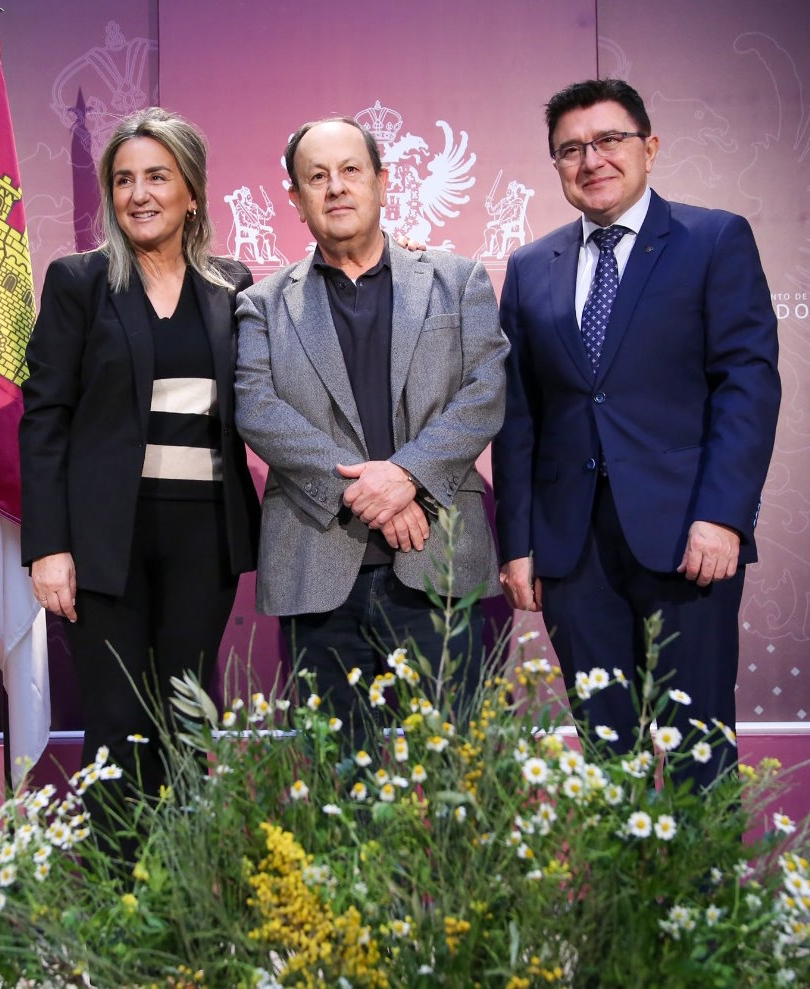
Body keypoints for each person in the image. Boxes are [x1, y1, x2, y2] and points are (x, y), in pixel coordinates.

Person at [492, 79, 780, 786]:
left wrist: (722, 516)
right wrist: (518, 543)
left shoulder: (713, 239)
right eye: (570, 149)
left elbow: (747, 385)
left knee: (697, 744)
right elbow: (519, 411)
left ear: (648, 148)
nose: (591, 160)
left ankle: (706, 897)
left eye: (608, 140)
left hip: (687, 537)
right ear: (555, 165)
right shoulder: (532, 267)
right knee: (603, 748)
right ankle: (620, 900)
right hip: (570, 549)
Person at [20, 108, 260, 827]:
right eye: (123, 180)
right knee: (116, 724)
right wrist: (47, 546)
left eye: (157, 176)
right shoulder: (78, 281)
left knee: (186, 718)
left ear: (192, 190)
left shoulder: (233, 284)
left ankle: (186, 907)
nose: (139, 193)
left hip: (203, 539)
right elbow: (45, 418)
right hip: (103, 544)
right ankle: (115, 916)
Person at [234, 117, 508, 742]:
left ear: (382, 182)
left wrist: (406, 475)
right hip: (316, 566)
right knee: (338, 782)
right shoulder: (261, 304)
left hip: (434, 561)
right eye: (317, 177)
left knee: (450, 774)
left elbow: (486, 391)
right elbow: (257, 409)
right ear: (296, 199)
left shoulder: (457, 279)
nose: (336, 188)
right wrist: (368, 492)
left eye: (351, 171)